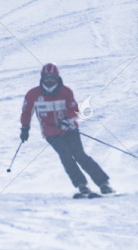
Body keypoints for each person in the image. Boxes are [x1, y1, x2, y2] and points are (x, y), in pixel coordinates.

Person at [20, 63, 114, 198]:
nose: (49, 81)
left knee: (80, 155)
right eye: (46, 77)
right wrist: (25, 128)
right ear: (41, 78)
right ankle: (81, 184)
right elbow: (26, 112)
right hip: (50, 132)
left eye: (52, 78)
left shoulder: (65, 91)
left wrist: (66, 120)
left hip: (69, 129)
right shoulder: (33, 94)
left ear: (57, 78)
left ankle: (103, 183)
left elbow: (75, 110)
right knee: (65, 156)